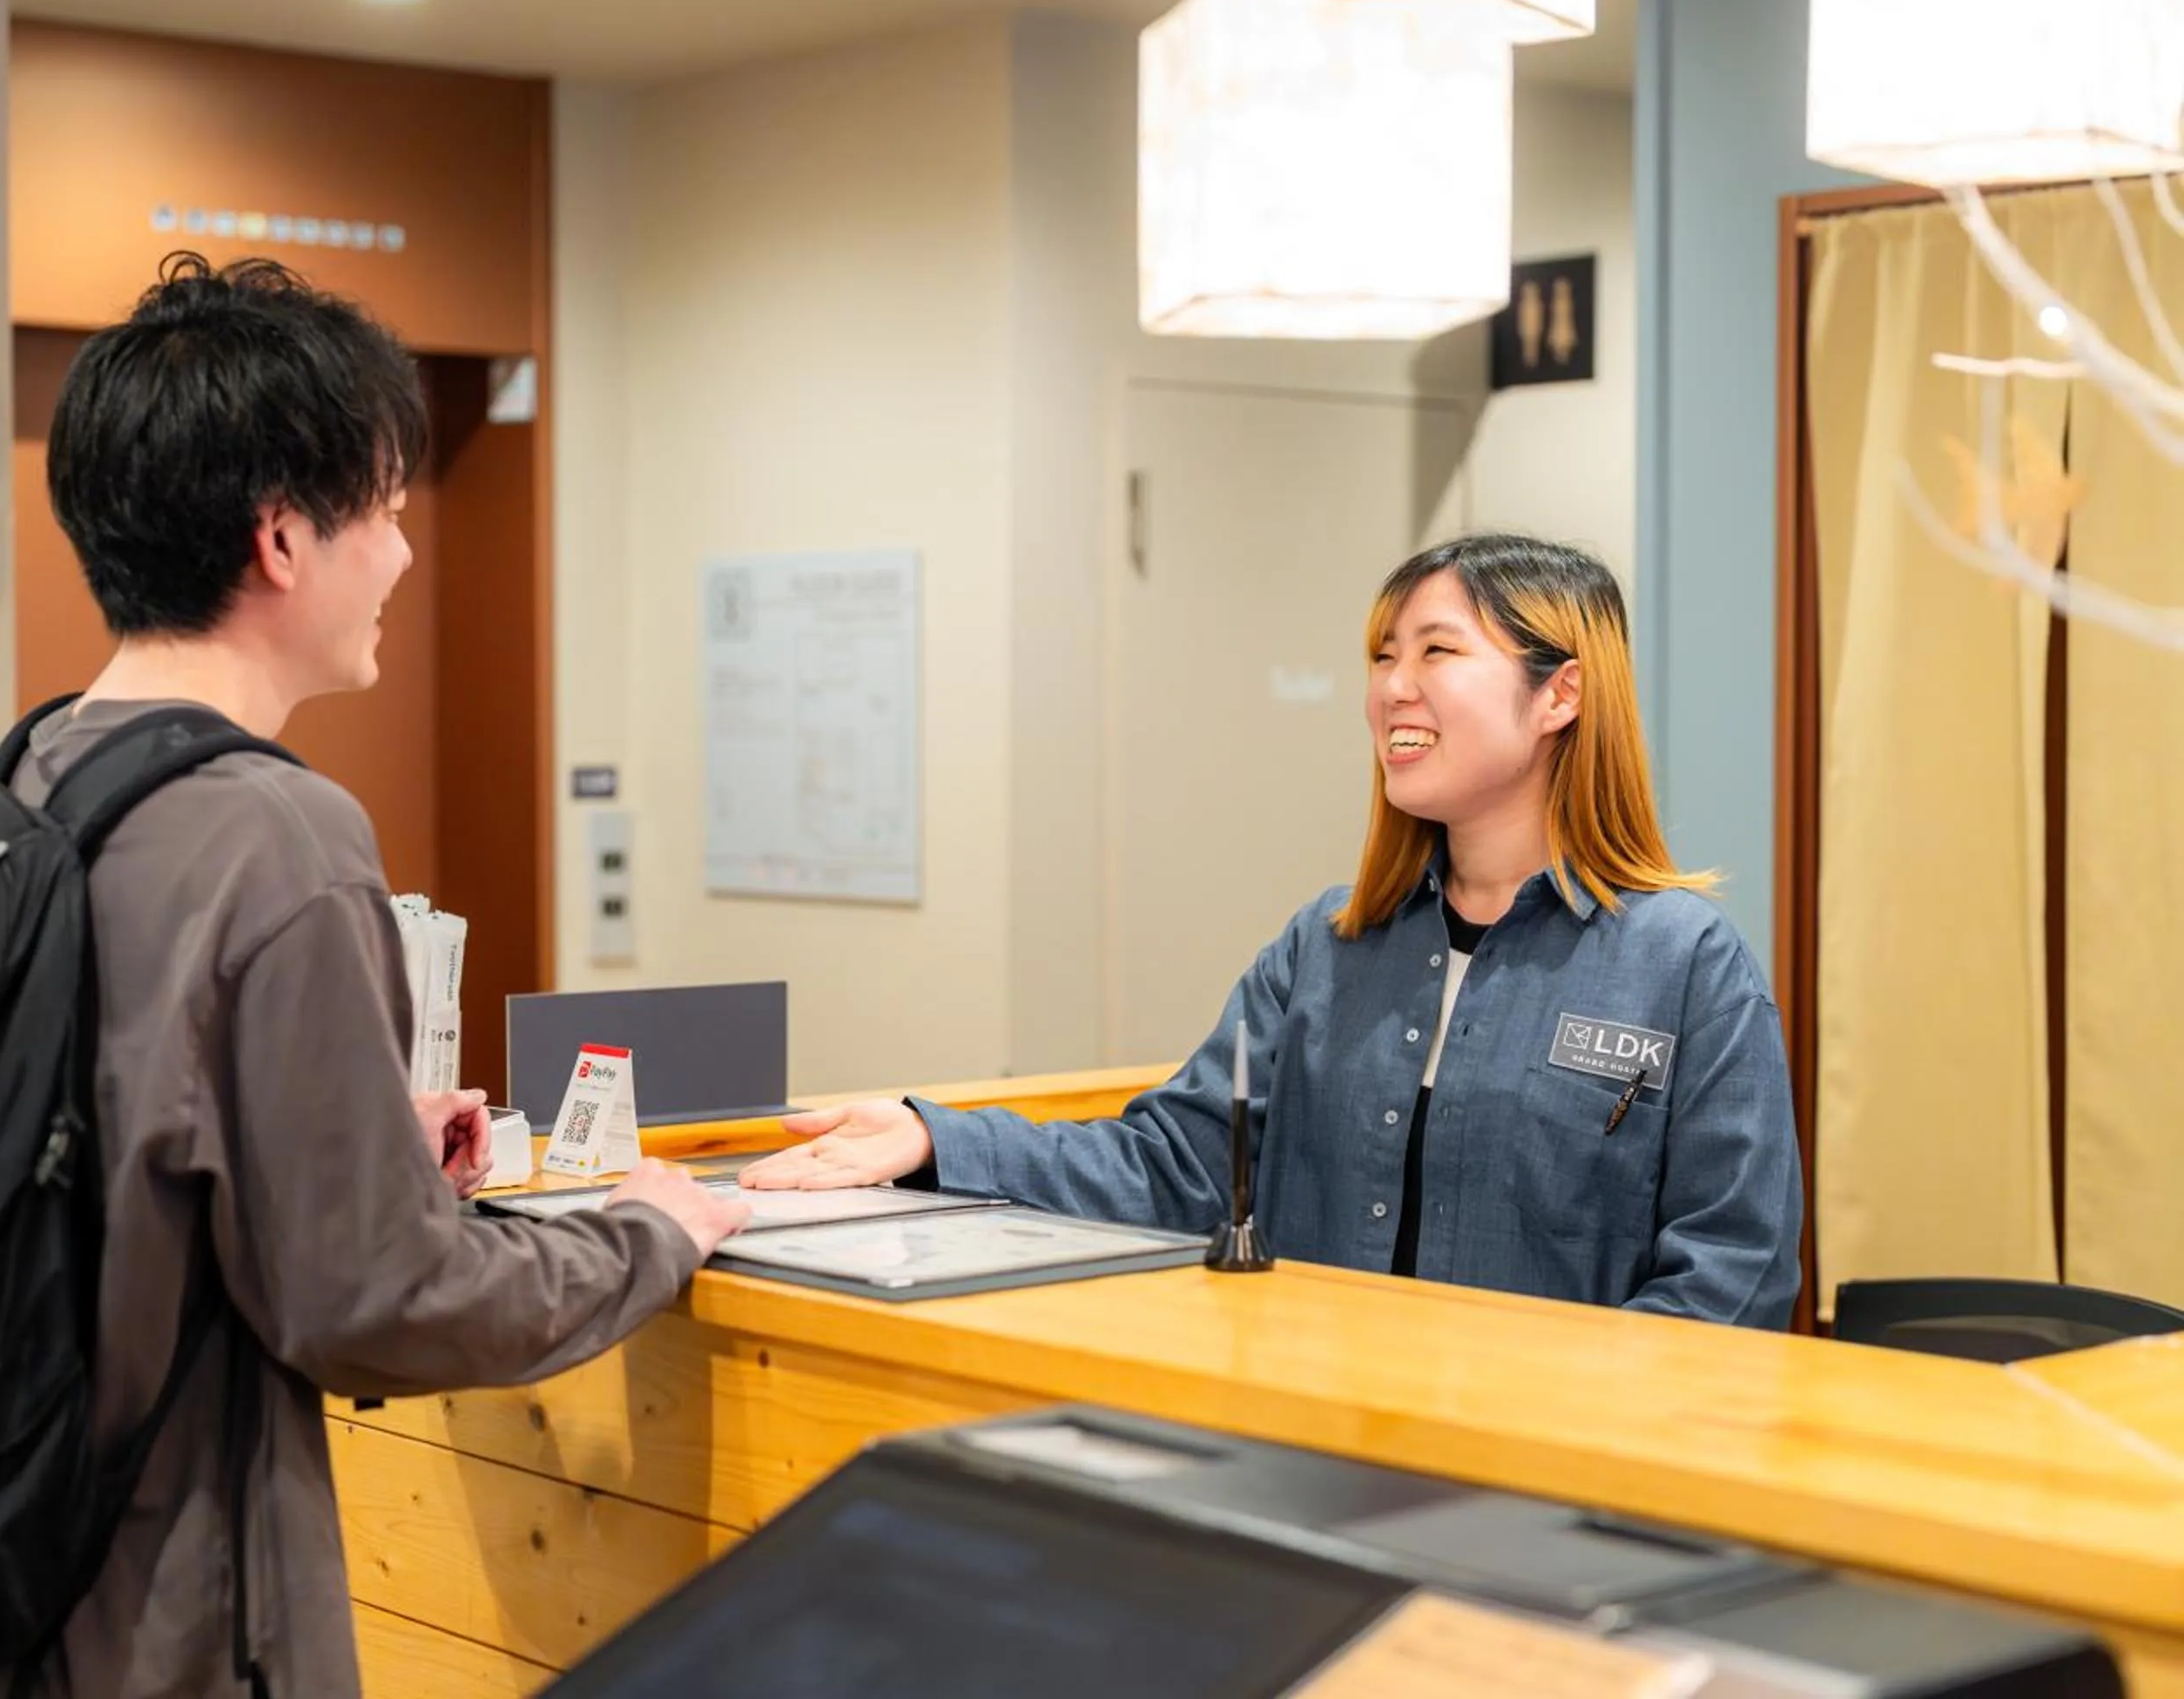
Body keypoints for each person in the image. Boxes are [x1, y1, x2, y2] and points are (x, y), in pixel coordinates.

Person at [0, 253, 752, 1699]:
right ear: (284, 541)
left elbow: (102, 1151)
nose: (401, 554)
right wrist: (649, 1233)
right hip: (167, 1622)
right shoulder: (278, 837)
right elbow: (374, 1303)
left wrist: (350, 1139)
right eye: (389, 513)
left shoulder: (17, 779)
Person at [745, 531, 1801, 1328]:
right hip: (1315, 1450)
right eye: (1383, 655)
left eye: (1438, 650)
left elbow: (1736, 1267)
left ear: (1560, 691)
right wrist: (940, 1135)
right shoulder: (1328, 948)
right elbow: (1176, 1167)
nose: (1394, 685)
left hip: (1558, 1491)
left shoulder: (1683, 964)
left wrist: (1568, 1438)